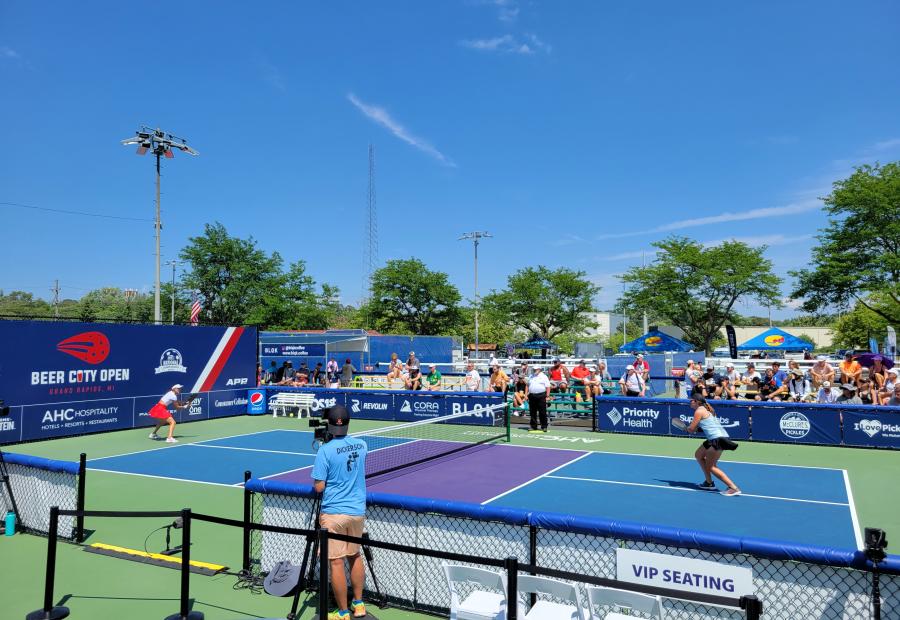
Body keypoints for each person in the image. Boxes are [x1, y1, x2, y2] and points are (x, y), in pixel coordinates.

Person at [310, 405, 368, 620]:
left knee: (335, 562)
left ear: (330, 424)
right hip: (357, 512)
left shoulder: (325, 450)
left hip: (334, 513)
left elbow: (319, 486)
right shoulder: (362, 445)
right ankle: (359, 605)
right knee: (354, 555)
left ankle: (343, 612)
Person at [684, 396, 741, 497]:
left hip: (718, 439)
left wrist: (686, 428)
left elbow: (692, 429)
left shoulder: (699, 411)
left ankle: (733, 488)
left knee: (711, 467)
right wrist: (692, 429)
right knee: (698, 455)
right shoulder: (706, 410)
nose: (690, 402)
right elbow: (704, 427)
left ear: (696, 401)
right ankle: (709, 483)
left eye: (691, 400)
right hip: (714, 438)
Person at [527, 366, 552, 433]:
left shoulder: (544, 376)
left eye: (536, 369)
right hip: (532, 395)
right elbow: (527, 385)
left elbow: (548, 387)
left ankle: (544, 426)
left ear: (539, 369)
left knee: (542, 412)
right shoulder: (531, 376)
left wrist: (547, 396)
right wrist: (526, 394)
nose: (534, 370)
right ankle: (533, 426)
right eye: (534, 369)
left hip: (541, 395)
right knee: (532, 412)